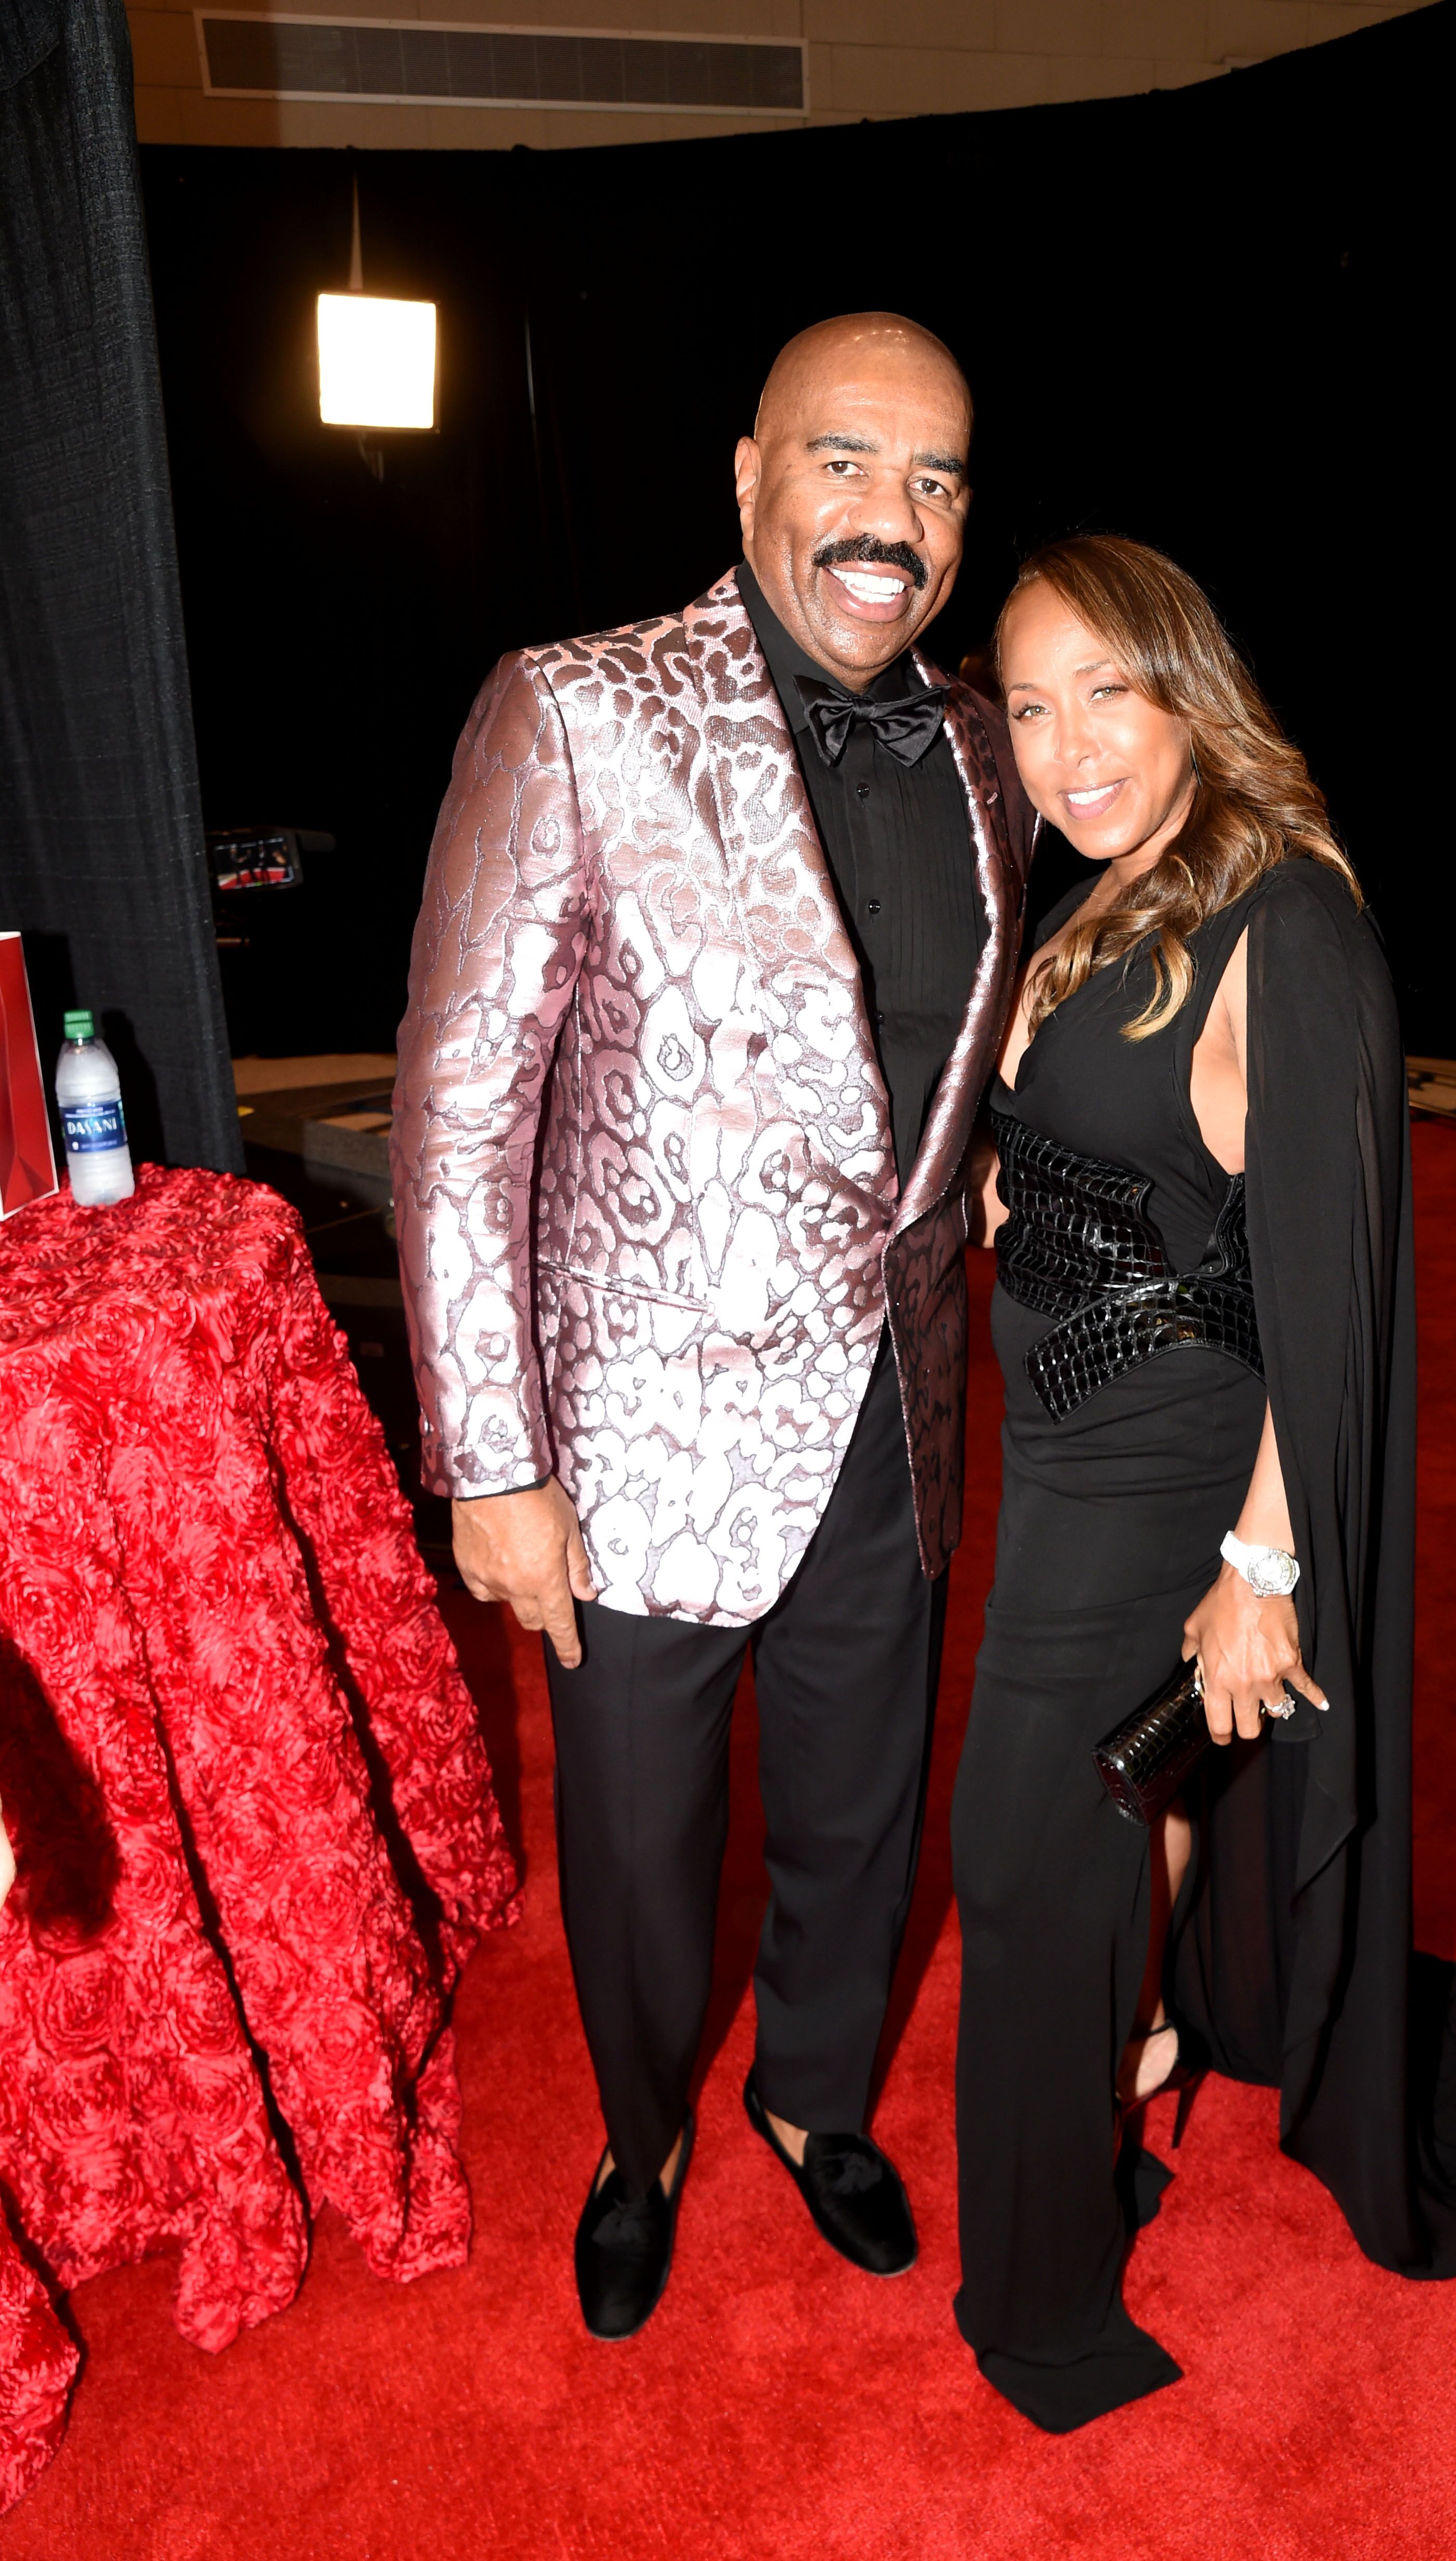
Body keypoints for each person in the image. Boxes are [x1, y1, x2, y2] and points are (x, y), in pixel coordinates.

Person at [951, 533, 1456, 2433]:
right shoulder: (1117, 888)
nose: (1068, 743)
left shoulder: (1291, 921)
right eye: (1028, 702)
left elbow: (1330, 1304)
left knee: (1020, 1864)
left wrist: (1267, 1563)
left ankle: (1040, 2299)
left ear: (1193, 684)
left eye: (1108, 689)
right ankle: (1158, 2033)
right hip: (1072, 1448)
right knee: (1108, 1807)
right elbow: (1106, 1162)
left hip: (1175, 1465)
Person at [391, 314, 1033, 2341]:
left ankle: (813, 2093)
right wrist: (491, 1458)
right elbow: (462, 1094)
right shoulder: (576, 709)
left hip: (894, 1392)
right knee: (645, 1837)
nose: (891, 519)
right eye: (846, 462)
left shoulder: (987, 744)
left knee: (862, 1795)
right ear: (747, 471)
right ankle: (640, 2132)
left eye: (933, 481)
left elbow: (953, 1070)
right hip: (646, 1415)